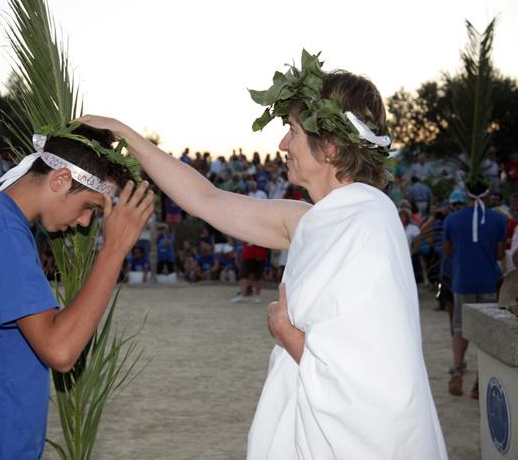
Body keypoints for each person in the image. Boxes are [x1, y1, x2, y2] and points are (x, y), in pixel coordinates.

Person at [80, 50, 447, 459]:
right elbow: (205, 199)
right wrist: (124, 133)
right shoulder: (311, 220)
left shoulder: (366, 223)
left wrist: (286, 333)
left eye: (291, 129)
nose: (282, 143)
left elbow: (375, 381)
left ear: (328, 146)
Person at [0, 123, 152, 459]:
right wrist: (113, 249)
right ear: (60, 180)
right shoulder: (3, 232)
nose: (86, 222)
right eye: (89, 206)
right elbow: (60, 350)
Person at [443, 186, 506, 399]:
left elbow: (447, 249)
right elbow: (499, 254)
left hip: (463, 281)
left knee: (460, 328)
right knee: (487, 332)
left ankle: (458, 371)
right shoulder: (498, 219)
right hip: (489, 281)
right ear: (488, 194)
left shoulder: (452, 219)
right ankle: (481, 381)